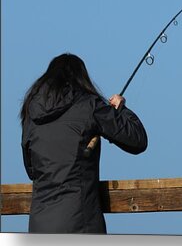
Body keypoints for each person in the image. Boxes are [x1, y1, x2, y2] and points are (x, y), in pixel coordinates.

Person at [20, 53, 148, 234]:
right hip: (82, 224)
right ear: (81, 79)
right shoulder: (89, 105)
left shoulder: (31, 114)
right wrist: (121, 110)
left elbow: (32, 170)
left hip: (39, 227)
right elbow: (137, 140)